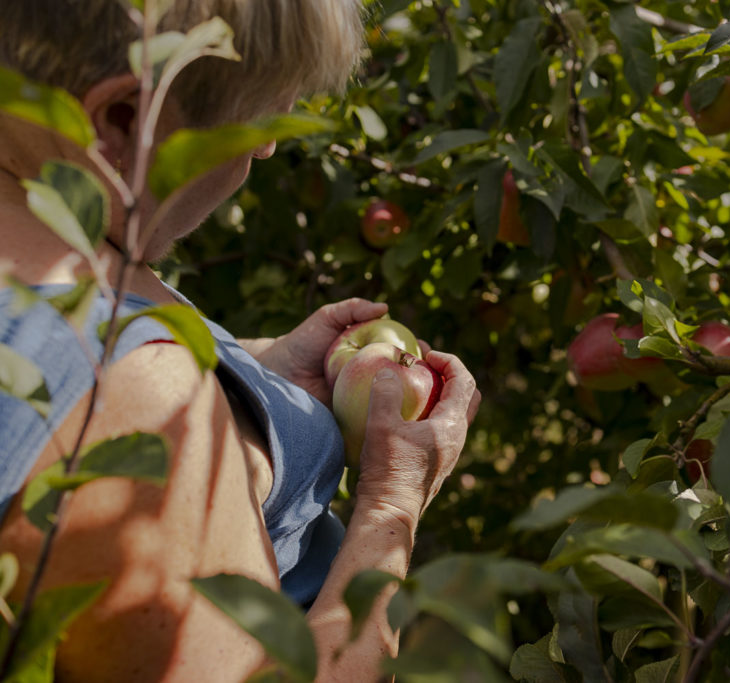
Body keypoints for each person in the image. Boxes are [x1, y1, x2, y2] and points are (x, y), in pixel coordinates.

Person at [0, 1, 480, 680]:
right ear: (123, 120)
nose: (266, 147)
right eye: (259, 120)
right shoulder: (137, 408)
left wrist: (256, 376)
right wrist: (391, 504)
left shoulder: (51, 208)